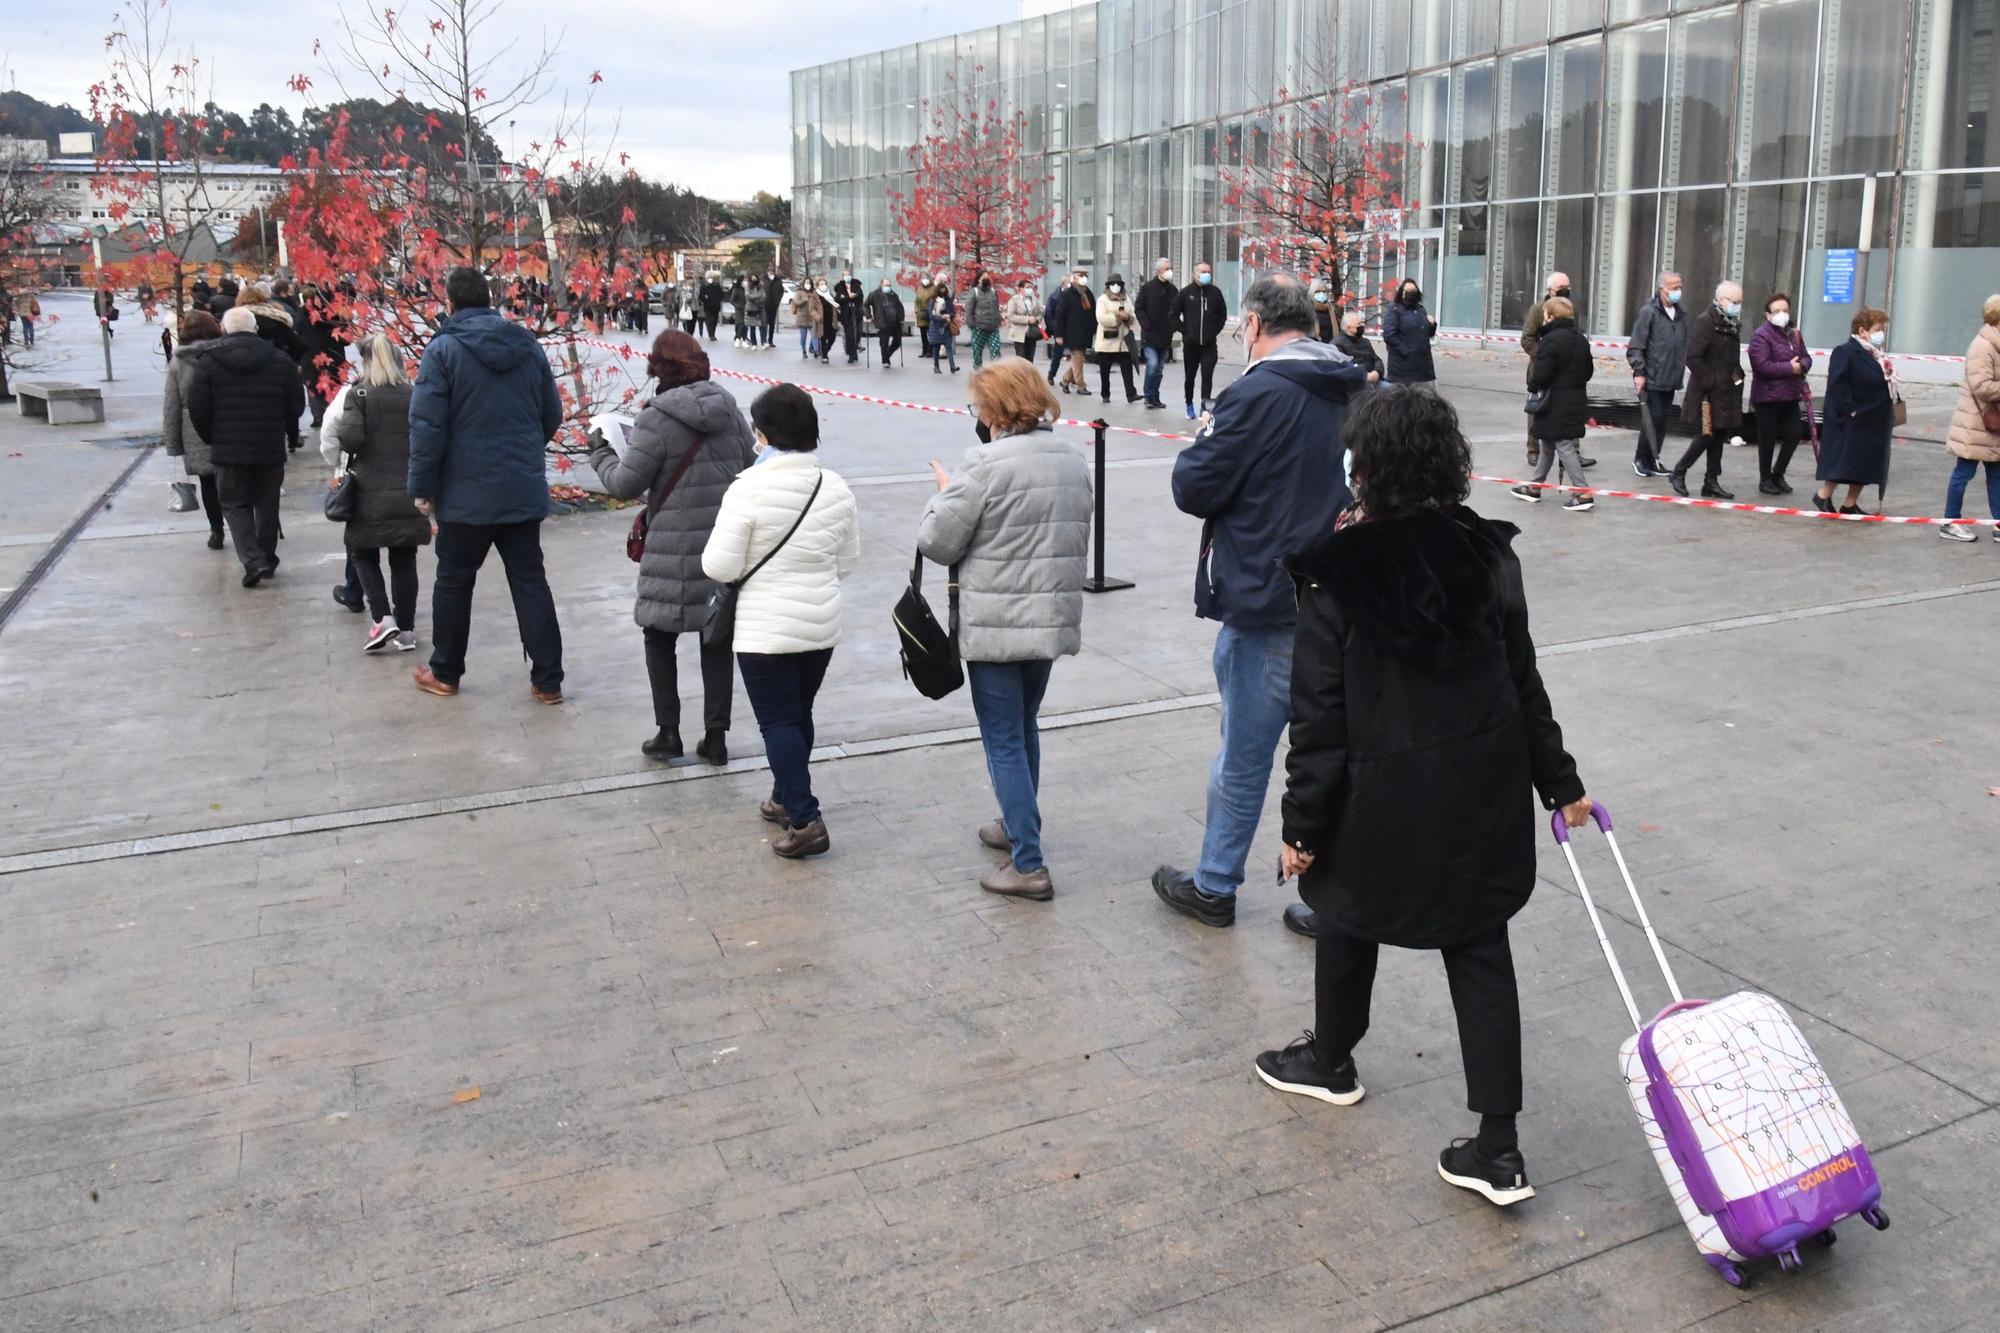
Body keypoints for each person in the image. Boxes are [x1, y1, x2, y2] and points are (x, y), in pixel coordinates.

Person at [1253, 385, 1592, 1210]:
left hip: (1379, 793)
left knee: (1342, 908)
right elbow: (1523, 677)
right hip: (1481, 789)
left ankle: (1331, 1060)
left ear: (1367, 466)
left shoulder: (1336, 572)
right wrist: (1562, 782)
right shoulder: (1487, 553)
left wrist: (1301, 826)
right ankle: (1498, 1145)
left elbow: (1319, 719)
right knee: (1478, 947)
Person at [1152, 273, 1369, 933]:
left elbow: (1194, 485)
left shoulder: (1255, 392)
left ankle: (1215, 883)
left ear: (1252, 325)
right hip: (1343, 597)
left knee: (1244, 755)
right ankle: (1335, 896)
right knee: (1337, 752)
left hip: (1271, 596)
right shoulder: (1356, 382)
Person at [918, 358, 1093, 901]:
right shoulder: (1070, 457)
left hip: (996, 626)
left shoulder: (983, 464)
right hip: (1045, 620)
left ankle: (1029, 863)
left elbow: (938, 542)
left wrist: (945, 492)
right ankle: (1016, 824)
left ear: (994, 409)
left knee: (1003, 740)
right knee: (1024, 726)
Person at [701, 384, 861, 859]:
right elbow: (847, 561)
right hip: (820, 621)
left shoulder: (746, 488)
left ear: (764, 434)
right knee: (797, 714)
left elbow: (719, 566)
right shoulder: (835, 486)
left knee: (777, 721)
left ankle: (806, 817)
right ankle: (783, 795)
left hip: (765, 627)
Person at [589, 330, 758, 761]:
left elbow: (625, 484)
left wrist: (602, 452)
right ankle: (716, 738)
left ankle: (668, 733)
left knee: (658, 637)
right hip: (723, 543)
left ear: (659, 368)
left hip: (671, 551)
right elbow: (750, 467)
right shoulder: (728, 408)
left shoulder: (655, 419)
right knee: (715, 637)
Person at [407, 266, 567, 702]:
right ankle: (548, 680)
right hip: (520, 488)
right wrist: (525, 450)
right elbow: (551, 411)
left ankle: (445, 672)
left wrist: (421, 488)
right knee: (530, 580)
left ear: (450, 303)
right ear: (490, 299)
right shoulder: (527, 346)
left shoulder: (442, 351)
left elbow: (427, 427)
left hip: (464, 495)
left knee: (454, 581)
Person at [186, 306, 305, 587]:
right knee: (267, 503)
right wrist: (281, 429)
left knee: (234, 504)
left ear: (224, 329)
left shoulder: (207, 363)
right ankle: (266, 555)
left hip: (228, 449)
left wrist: (211, 437)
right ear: (255, 330)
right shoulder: (280, 361)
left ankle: (252, 559)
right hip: (268, 446)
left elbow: (198, 408)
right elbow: (296, 405)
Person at [329, 333, 431, 654]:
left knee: (362, 551)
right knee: (404, 558)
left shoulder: (359, 394)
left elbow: (351, 439)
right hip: (408, 487)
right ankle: (407, 630)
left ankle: (382, 617)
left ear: (367, 362)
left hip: (369, 489)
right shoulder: (414, 395)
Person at [1510, 296, 1596, 513]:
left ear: (1550, 316)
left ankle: (1583, 491)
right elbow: (1588, 371)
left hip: (1554, 401)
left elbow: (1542, 373)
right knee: (1547, 443)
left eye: (1546, 314)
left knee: (1564, 445)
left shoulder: (1550, 340)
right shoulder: (1581, 339)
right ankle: (1535, 487)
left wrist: (1533, 385)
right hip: (1575, 399)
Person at [1666, 281, 1744, 500]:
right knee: (1706, 433)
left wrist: (1737, 378)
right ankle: (1679, 472)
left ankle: (1711, 481)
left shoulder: (1732, 325)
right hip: (1706, 394)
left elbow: (1731, 359)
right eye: (1733, 301)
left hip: (1725, 392)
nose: (1737, 306)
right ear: (1720, 300)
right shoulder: (1707, 322)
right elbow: (1693, 356)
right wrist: (1710, 379)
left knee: (1718, 434)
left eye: (1740, 302)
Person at [1814, 309, 1897, 516]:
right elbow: (1837, 383)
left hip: (1873, 418)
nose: (1881, 334)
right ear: (1863, 331)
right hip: (1853, 418)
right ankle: (1823, 495)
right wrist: (1851, 410)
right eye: (1878, 329)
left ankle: (1850, 503)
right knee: (1843, 461)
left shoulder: (1877, 355)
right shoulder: (1846, 351)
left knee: (1864, 464)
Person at [161, 310, 227, 550]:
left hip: (193, 428)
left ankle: (216, 529)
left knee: (207, 482)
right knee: (231, 478)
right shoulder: (224, 354)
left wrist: (173, 443)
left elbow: (171, 405)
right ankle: (240, 524)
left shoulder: (178, 363)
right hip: (225, 421)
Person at [1941, 295, 2000, 542]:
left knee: (1996, 474)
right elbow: (1981, 385)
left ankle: (1998, 523)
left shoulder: (1994, 343)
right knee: (1963, 472)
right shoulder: (1983, 345)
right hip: (1975, 424)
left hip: (1987, 426)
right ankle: (1950, 521)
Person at [1747, 293, 1812, 496]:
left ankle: (1778, 473)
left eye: (1784, 310)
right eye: (1776, 311)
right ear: (1768, 315)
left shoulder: (1793, 333)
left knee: (1794, 434)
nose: (1781, 314)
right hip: (1767, 396)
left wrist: (1801, 366)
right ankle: (1765, 479)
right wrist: (1789, 368)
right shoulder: (1761, 336)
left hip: (1791, 394)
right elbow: (1762, 365)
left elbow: (1806, 357)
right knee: (1767, 440)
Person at [1627, 270, 1688, 477]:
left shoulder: (1680, 314)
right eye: (1673, 287)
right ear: (1662, 290)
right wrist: (1639, 372)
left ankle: (1653, 457)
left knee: (1662, 420)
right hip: (1652, 376)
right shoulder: (1649, 312)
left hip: (1670, 377)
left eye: (1680, 286)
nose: (1678, 291)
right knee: (1653, 418)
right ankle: (1641, 458)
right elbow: (1636, 345)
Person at [1519, 272, 1568, 466]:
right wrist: (1545, 355)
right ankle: (1533, 449)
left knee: (1567, 408)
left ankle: (1574, 451)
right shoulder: (1538, 309)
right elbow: (1527, 338)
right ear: (1550, 290)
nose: (1565, 290)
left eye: (1568, 286)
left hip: (1565, 368)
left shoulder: (1570, 309)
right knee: (1536, 408)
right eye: (1561, 287)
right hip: (1541, 367)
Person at [1175, 261, 1227, 418]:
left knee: (1207, 375)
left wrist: (1214, 331)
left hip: (1209, 345)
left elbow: (1222, 315)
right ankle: (1188, 403)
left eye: (1209, 272)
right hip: (1191, 344)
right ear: (1195, 273)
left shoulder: (1215, 293)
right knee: (1190, 376)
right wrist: (1185, 330)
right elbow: (1173, 314)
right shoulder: (1185, 293)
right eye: (1203, 271)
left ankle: (1205, 406)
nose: (1206, 275)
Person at [299, 286, 350, 432]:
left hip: (310, 357)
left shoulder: (301, 315)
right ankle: (334, 415)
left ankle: (318, 417)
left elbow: (297, 334)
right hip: (334, 356)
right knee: (333, 386)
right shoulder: (335, 314)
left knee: (313, 386)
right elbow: (346, 340)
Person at [1135, 258, 1179, 409]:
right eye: (1167, 268)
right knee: (1152, 365)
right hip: (1150, 335)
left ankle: (1155, 396)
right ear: (1159, 271)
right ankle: (1148, 395)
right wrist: (1146, 324)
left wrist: (1174, 326)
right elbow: (1139, 307)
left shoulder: (1173, 290)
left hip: (1165, 336)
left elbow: (1176, 311)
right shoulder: (1147, 288)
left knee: (1159, 369)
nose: (1170, 271)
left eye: (1170, 268)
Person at [1093, 274, 1140, 404]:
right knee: (1105, 370)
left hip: (1123, 340)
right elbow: (1102, 318)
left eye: (1118, 284)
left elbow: (1132, 315)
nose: (1116, 287)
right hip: (1107, 341)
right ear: (1108, 286)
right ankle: (1105, 394)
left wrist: (1128, 318)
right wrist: (1118, 317)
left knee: (1127, 367)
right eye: (1113, 284)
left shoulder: (1126, 299)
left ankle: (1131, 393)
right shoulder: (1102, 300)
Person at [1380, 277, 1437, 385]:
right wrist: (1406, 352)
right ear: (1402, 293)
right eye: (1408, 291)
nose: (1411, 293)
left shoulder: (1420, 309)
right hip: (1402, 368)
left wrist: (1432, 324)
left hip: (1423, 367)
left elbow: (1428, 334)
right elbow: (1389, 335)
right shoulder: (1394, 309)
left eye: (1413, 291)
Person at [1055, 269, 1095, 396]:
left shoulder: (1087, 292)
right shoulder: (1067, 294)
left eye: (1085, 275)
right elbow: (1059, 315)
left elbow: (1092, 311)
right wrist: (1059, 334)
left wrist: (1094, 329)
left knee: (1079, 359)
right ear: (1074, 277)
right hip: (1072, 332)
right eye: (1081, 275)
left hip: (1085, 332)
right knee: (1077, 357)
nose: (1084, 278)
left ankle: (1065, 380)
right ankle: (1081, 385)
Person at [1332, 309, 1382, 383]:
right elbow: (1343, 369)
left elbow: (1377, 359)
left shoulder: (1365, 341)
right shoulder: (1337, 345)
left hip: (1375, 380)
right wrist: (1366, 376)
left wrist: (1377, 372)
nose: (1362, 327)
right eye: (1358, 324)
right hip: (1357, 385)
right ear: (1348, 328)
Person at [965, 271, 1004, 367]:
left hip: (993, 328)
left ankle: (996, 376)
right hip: (979, 328)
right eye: (984, 277)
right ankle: (978, 374)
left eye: (988, 277)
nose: (987, 279)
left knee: (996, 353)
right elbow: (968, 310)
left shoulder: (993, 291)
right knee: (977, 354)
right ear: (979, 279)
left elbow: (996, 307)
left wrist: (998, 320)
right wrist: (972, 325)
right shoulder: (974, 291)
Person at [867, 279, 905, 366]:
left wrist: (901, 318)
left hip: (895, 322)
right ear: (881, 285)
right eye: (886, 285)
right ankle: (885, 360)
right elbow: (866, 305)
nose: (888, 287)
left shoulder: (893, 294)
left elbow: (900, 306)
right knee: (884, 342)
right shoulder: (874, 294)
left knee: (897, 341)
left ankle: (887, 355)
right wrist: (869, 316)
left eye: (889, 285)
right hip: (883, 322)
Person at [927, 278, 960, 374]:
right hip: (936, 327)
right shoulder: (933, 300)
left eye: (944, 290)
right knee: (936, 347)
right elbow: (931, 315)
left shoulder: (948, 300)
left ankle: (952, 366)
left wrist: (949, 316)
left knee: (948, 346)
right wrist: (943, 317)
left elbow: (953, 312)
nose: (943, 292)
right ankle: (936, 366)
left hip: (946, 326)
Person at [1042, 276, 1070, 386]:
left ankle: (1071, 378)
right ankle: (1051, 375)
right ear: (1063, 283)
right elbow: (1048, 315)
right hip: (1060, 329)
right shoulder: (1054, 297)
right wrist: (1056, 330)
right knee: (1058, 354)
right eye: (1069, 283)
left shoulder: (1073, 295)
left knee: (1078, 355)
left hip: (1072, 328)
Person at [1005, 278, 1041, 361]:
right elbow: (1010, 316)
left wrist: (1036, 319)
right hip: (1019, 333)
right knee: (1021, 358)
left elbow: (1040, 313)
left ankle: (1029, 374)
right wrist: (1026, 319)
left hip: (1032, 332)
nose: (1030, 290)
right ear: (1021, 289)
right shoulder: (1014, 300)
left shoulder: (1034, 299)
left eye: (1031, 288)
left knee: (1030, 358)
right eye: (1027, 287)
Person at [834, 268, 865, 363]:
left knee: (858, 333)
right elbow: (838, 298)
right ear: (843, 277)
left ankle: (854, 351)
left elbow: (860, 295)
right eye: (845, 275)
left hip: (857, 312)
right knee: (849, 334)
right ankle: (851, 354)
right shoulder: (840, 287)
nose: (847, 276)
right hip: (847, 314)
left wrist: (851, 296)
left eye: (848, 274)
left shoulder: (856, 284)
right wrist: (849, 296)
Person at [792, 281, 823, 359]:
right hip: (802, 318)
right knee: (803, 337)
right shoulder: (799, 293)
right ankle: (804, 351)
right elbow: (796, 302)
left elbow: (818, 303)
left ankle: (816, 350)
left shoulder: (814, 293)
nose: (808, 285)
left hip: (812, 317)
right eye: (806, 283)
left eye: (809, 283)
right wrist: (804, 300)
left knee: (814, 335)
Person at [816, 277, 839, 364]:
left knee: (832, 337)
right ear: (818, 286)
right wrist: (817, 316)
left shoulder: (830, 294)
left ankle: (826, 350)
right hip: (821, 320)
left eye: (824, 284)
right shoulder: (815, 296)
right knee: (823, 338)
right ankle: (825, 356)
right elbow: (812, 309)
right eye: (821, 284)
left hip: (831, 320)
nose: (823, 286)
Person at [914, 272, 938, 351]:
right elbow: (916, 301)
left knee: (930, 333)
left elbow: (936, 301)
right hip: (921, 313)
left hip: (930, 313)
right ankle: (924, 349)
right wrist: (917, 311)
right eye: (924, 278)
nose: (925, 280)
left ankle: (930, 350)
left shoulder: (934, 288)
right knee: (923, 333)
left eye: (926, 278)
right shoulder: (920, 289)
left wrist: (931, 311)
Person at [742, 273, 765, 349]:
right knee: (752, 327)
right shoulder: (748, 287)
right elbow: (748, 296)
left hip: (759, 308)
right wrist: (756, 298)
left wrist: (754, 299)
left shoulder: (760, 287)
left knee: (761, 325)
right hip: (750, 308)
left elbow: (763, 296)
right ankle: (754, 343)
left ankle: (763, 343)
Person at [698, 271, 724, 341]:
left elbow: (721, 294)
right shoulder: (703, 286)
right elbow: (701, 296)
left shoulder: (716, 285)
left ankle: (713, 334)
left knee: (715, 321)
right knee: (709, 321)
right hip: (708, 306)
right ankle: (710, 335)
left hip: (716, 306)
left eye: (711, 277)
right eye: (709, 277)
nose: (710, 278)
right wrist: (705, 299)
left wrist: (718, 300)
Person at [762, 269, 784, 348]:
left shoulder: (778, 280)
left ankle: (770, 340)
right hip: (765, 305)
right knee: (764, 323)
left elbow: (781, 291)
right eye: (769, 272)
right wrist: (763, 300)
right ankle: (764, 340)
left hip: (774, 305)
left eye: (772, 272)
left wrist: (777, 301)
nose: (771, 274)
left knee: (772, 324)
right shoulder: (764, 280)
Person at [729, 274, 750, 346]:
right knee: (740, 324)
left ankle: (744, 339)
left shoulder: (747, 289)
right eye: (744, 280)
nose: (745, 282)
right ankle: (738, 338)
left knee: (745, 325)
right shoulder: (737, 289)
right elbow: (731, 300)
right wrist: (737, 306)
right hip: (739, 310)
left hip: (747, 309)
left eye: (746, 280)